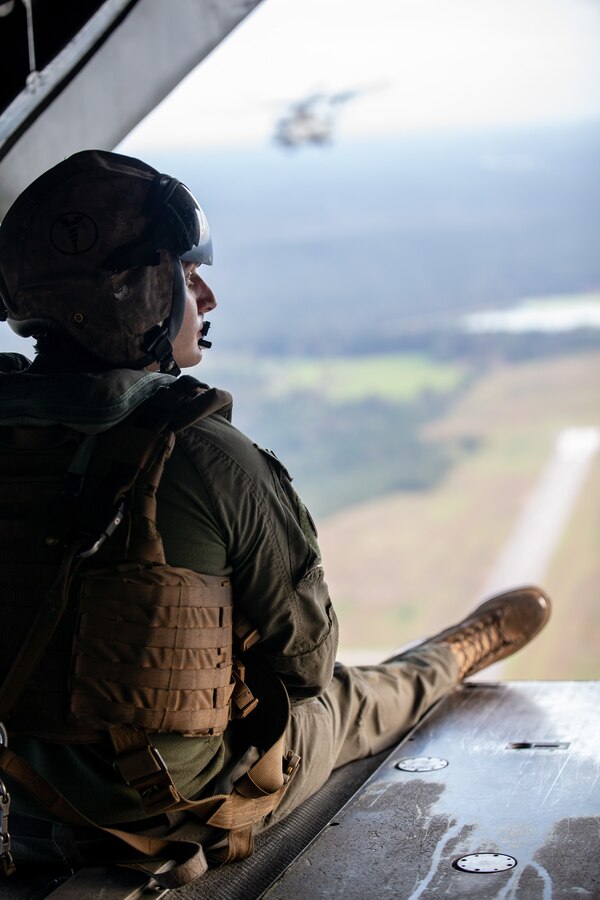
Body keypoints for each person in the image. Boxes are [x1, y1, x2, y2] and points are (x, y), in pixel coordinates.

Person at [0, 150, 550, 884]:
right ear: (136, 294)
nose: (207, 299)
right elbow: (308, 663)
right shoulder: (200, 452)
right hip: (164, 810)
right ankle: (450, 658)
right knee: (350, 695)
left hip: (18, 812)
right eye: (187, 277)